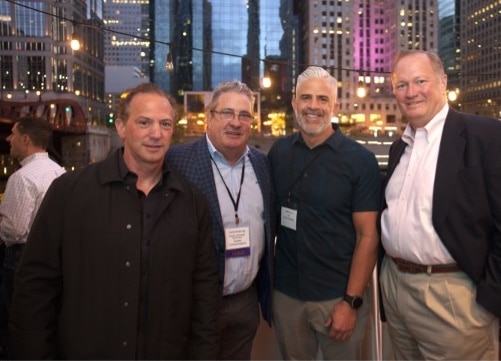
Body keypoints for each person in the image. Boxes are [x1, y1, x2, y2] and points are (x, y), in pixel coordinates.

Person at [9, 83, 220, 360]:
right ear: (121, 127)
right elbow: (35, 289)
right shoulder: (69, 193)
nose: (156, 133)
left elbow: (204, 294)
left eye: (165, 124)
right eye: (144, 122)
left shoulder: (192, 203)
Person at [380, 49, 501, 360]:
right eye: (401, 84)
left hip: (454, 300)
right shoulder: (399, 147)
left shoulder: (485, 136)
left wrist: (489, 301)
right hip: (396, 288)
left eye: (421, 81)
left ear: (443, 81)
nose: (411, 92)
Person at [267, 66, 381, 360]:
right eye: (306, 98)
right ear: (294, 103)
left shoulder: (360, 161)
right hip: (287, 296)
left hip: (337, 298)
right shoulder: (278, 153)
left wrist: (351, 302)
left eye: (322, 99)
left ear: (335, 106)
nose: (313, 106)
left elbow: (368, 236)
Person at [166, 80, 276, 360]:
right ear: (209, 117)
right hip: (196, 305)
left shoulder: (263, 165)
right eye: (226, 113)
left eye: (244, 115)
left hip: (246, 302)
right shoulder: (177, 162)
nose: (235, 122)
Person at [0, 116, 65, 359]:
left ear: (25, 139)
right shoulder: (59, 172)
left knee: (13, 322)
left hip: (20, 259)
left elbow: (14, 230)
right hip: (54, 257)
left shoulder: (22, 177)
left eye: (13, 134)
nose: (8, 139)